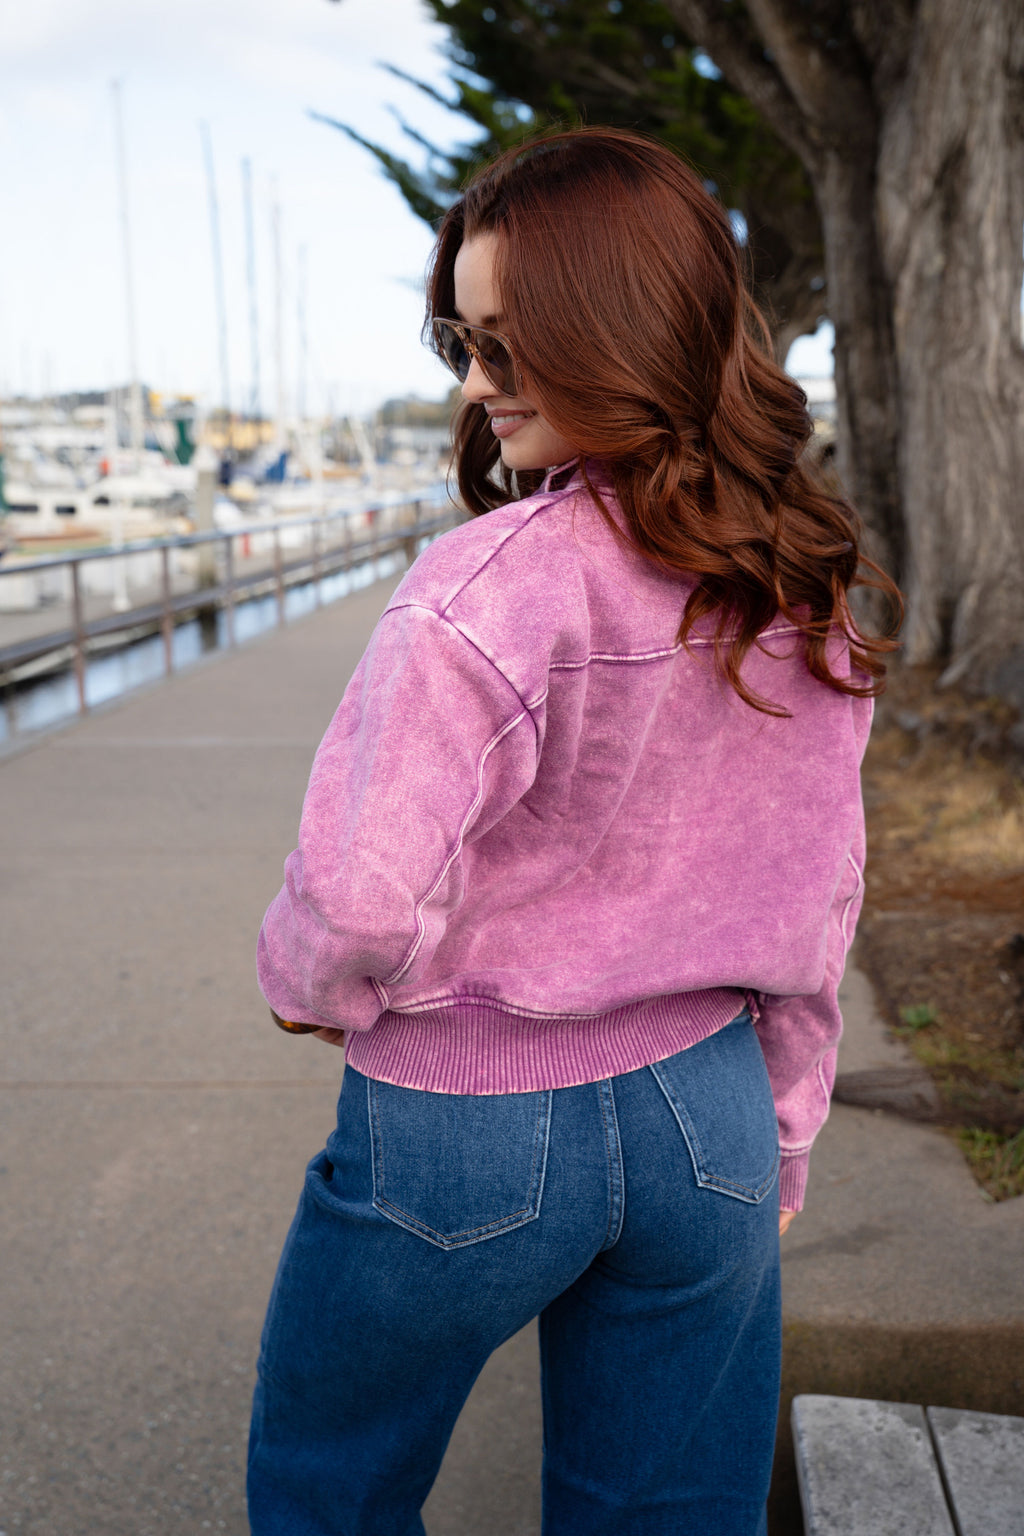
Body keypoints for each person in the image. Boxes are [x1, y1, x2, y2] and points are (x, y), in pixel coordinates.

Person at [247, 127, 900, 1536]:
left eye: (509, 344)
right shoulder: (801, 587)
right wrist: (784, 1134)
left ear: (618, 332)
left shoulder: (482, 589)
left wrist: (311, 988)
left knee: (328, 1490)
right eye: (461, 343)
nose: (477, 388)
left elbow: (356, 900)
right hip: (710, 1119)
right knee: (667, 1513)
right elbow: (815, 907)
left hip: (465, 1129)